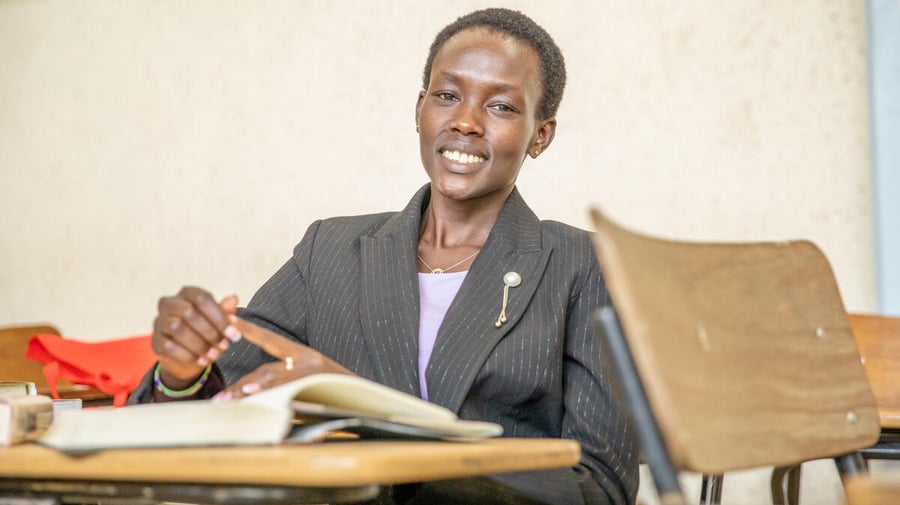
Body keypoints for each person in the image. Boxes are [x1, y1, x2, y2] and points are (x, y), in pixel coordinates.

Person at [129, 8, 638, 505]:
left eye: (500, 106)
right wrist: (181, 373)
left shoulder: (581, 264)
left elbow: (599, 485)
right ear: (420, 109)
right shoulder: (329, 250)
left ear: (540, 136)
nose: (465, 121)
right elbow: (215, 410)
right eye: (447, 96)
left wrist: (376, 416)